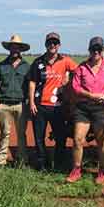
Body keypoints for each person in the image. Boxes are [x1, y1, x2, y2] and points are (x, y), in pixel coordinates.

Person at [65, 37, 104, 184]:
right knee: (78, 140)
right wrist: (91, 95)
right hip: (83, 108)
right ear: (89, 50)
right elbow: (75, 87)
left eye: (99, 49)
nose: (96, 51)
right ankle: (76, 170)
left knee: (101, 141)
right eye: (93, 49)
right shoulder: (81, 67)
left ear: (102, 51)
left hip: (101, 108)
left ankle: (102, 172)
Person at [28, 32, 77, 171]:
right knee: (39, 138)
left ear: (59, 45)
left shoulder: (65, 60)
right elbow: (32, 82)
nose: (52, 45)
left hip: (58, 107)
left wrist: (69, 81)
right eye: (50, 43)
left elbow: (79, 72)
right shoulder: (38, 62)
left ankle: (59, 163)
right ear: (45, 44)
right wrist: (31, 102)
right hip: (40, 106)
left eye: (55, 43)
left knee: (60, 137)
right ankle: (42, 164)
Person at [0, 34, 30, 166]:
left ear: (21, 49)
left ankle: (22, 161)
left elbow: (30, 86)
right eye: (12, 47)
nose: (15, 49)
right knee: (4, 133)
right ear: (9, 48)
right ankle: (1, 161)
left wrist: (28, 103)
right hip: (4, 105)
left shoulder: (27, 66)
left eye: (17, 47)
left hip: (21, 105)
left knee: (21, 134)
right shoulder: (0, 66)